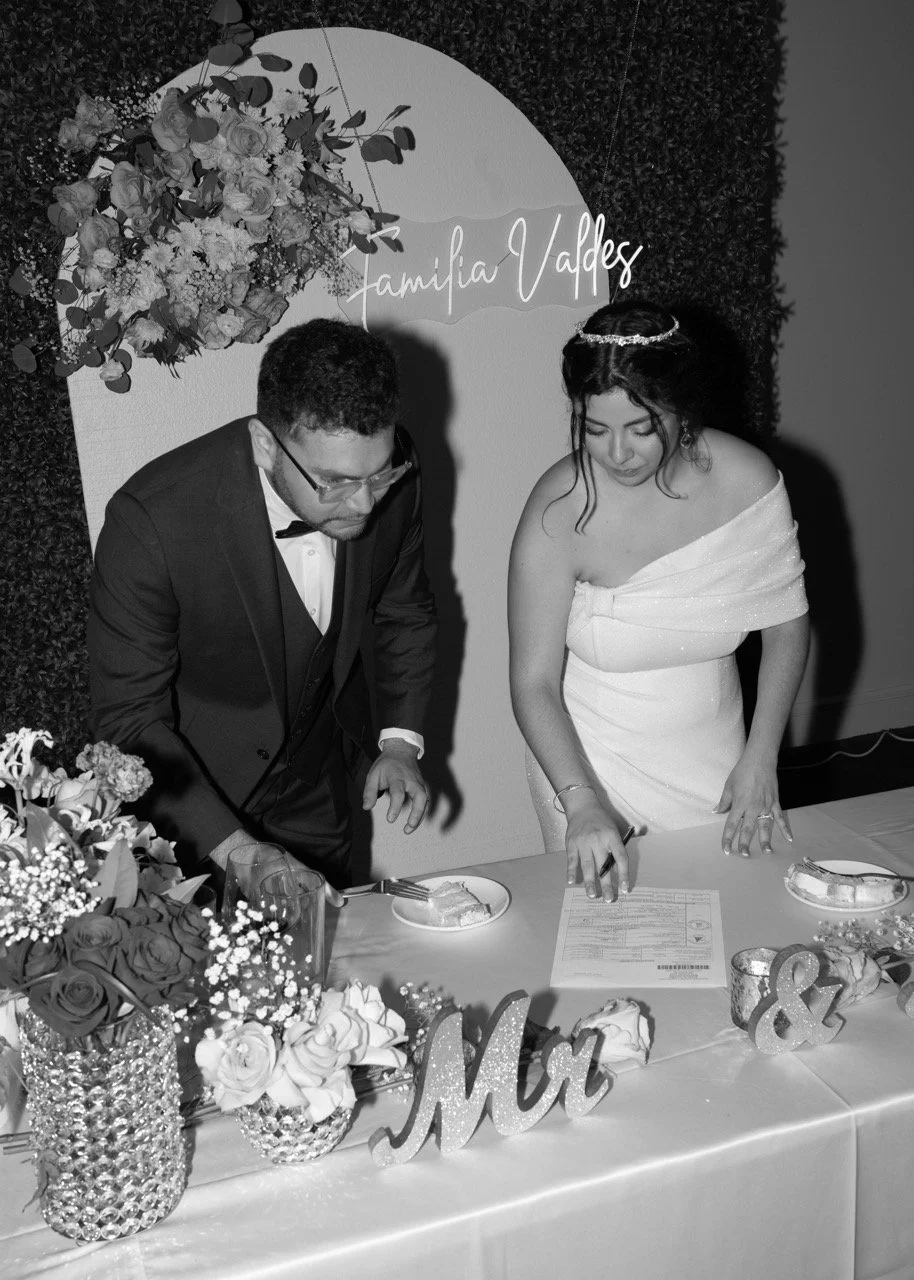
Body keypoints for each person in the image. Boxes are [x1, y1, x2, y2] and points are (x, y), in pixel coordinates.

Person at [88, 318, 437, 897]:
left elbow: (406, 612)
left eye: (379, 476)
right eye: (333, 482)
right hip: (187, 809)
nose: (365, 503)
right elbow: (129, 720)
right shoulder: (152, 521)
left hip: (317, 793)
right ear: (264, 443)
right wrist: (242, 853)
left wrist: (398, 742)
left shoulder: (389, 476)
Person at [508, 299, 809, 900]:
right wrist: (581, 801)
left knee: (740, 915)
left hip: (721, 758)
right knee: (613, 947)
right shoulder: (558, 510)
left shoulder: (747, 481)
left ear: (682, 412)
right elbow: (533, 682)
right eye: (595, 430)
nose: (617, 453)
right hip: (590, 768)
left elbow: (786, 625)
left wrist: (761, 756)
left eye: (642, 428)